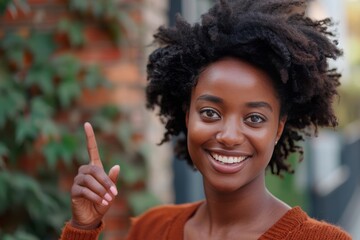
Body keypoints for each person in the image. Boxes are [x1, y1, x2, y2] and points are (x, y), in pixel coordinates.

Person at [60, 0, 352, 239]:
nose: (228, 135)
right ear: (187, 116)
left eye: (253, 118)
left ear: (278, 128)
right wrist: (82, 229)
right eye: (210, 113)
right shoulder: (151, 229)